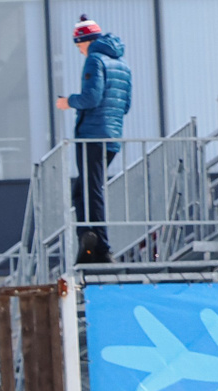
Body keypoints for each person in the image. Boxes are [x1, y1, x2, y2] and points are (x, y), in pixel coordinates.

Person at [57, 14, 130, 265]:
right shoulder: (121, 64)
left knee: (91, 191)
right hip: (112, 137)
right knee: (83, 190)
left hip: (91, 136)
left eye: (78, 45)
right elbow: (126, 105)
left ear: (86, 41)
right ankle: (88, 241)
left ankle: (101, 248)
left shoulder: (94, 60)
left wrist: (68, 102)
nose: (79, 51)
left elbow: (91, 98)